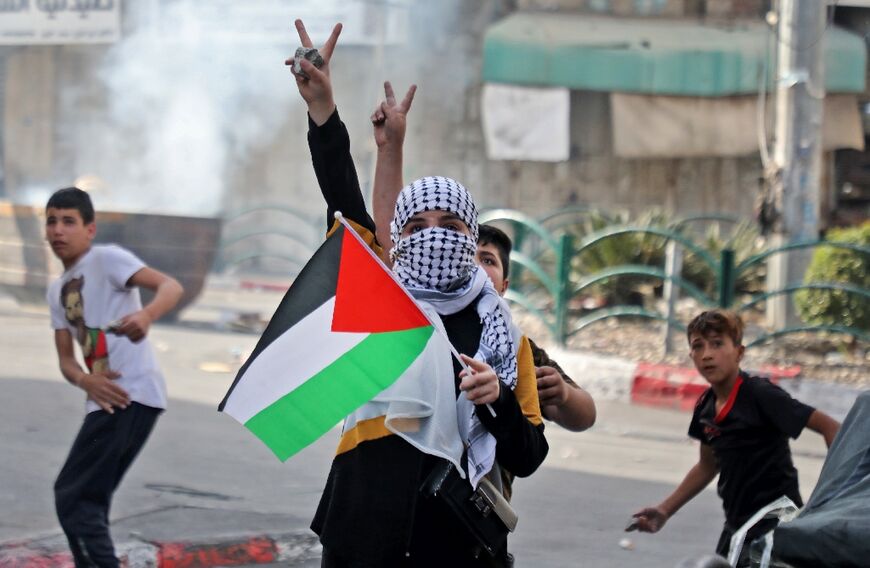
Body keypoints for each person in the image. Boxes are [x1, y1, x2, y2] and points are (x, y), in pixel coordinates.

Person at [289, 20, 547, 567]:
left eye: (452, 225)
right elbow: (344, 199)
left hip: (451, 539)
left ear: (473, 237)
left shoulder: (505, 337)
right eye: (419, 224)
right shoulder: (382, 298)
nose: (435, 235)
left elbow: (528, 455)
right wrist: (322, 109)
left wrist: (496, 397)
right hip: (361, 527)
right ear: (400, 238)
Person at [629, 309, 841, 565]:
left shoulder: (760, 394)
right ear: (691, 356)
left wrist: (832, 497)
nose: (707, 354)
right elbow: (707, 466)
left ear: (739, 352)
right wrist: (665, 509)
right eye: (699, 346)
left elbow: (831, 428)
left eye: (718, 344)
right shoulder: (705, 407)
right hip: (737, 522)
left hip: (776, 518)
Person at [45, 187, 183, 567]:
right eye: (52, 221)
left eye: (68, 222)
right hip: (104, 396)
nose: (58, 230)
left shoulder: (107, 260)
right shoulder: (57, 291)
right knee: (85, 500)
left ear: (90, 229)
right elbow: (66, 361)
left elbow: (170, 286)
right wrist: (84, 380)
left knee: (75, 497)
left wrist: (146, 316)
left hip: (130, 394)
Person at [476, 224, 596, 433]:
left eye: (487, 260)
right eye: (465, 255)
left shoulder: (515, 346)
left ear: (504, 287)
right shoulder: (424, 328)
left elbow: (586, 415)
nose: (475, 266)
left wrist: (563, 395)